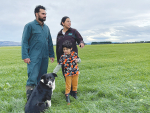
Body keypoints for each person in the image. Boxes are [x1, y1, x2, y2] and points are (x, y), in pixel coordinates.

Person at [21, 5, 54, 100]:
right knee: (33, 76)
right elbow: (24, 41)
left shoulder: (47, 28)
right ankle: (30, 99)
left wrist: (51, 55)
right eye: (43, 14)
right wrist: (25, 56)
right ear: (36, 14)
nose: (45, 15)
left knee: (43, 78)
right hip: (33, 57)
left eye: (45, 14)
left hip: (44, 57)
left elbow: (50, 42)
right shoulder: (29, 26)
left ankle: (39, 96)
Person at [56, 16, 84, 95]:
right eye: (68, 21)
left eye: (70, 21)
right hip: (63, 58)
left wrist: (81, 43)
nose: (69, 23)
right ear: (63, 23)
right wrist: (58, 58)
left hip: (72, 58)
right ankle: (69, 89)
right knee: (66, 74)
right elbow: (58, 46)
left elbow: (80, 39)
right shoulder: (59, 33)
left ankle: (73, 91)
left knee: (73, 74)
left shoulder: (74, 31)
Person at [53, 40, 81, 105]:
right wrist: (54, 72)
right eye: (64, 49)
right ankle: (67, 97)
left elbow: (79, 60)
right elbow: (59, 65)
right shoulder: (63, 57)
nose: (65, 50)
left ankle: (75, 95)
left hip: (75, 72)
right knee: (68, 85)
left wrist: (77, 60)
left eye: (67, 49)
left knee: (75, 84)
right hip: (68, 73)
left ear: (71, 48)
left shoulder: (74, 54)